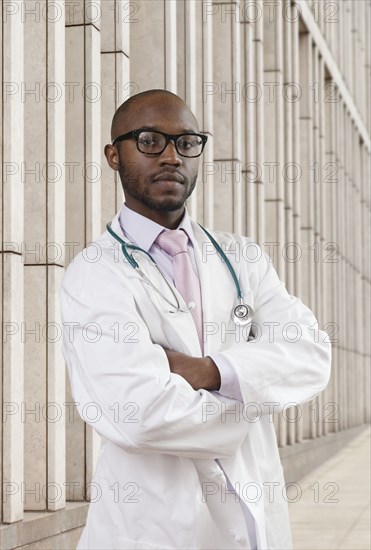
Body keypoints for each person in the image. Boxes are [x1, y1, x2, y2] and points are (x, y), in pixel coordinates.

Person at [61, 89, 331, 550]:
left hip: (252, 517)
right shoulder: (93, 274)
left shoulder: (242, 256)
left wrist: (209, 371)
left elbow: (311, 356)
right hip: (151, 527)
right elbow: (141, 414)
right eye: (149, 140)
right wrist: (254, 394)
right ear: (113, 155)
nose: (171, 155)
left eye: (186, 142)